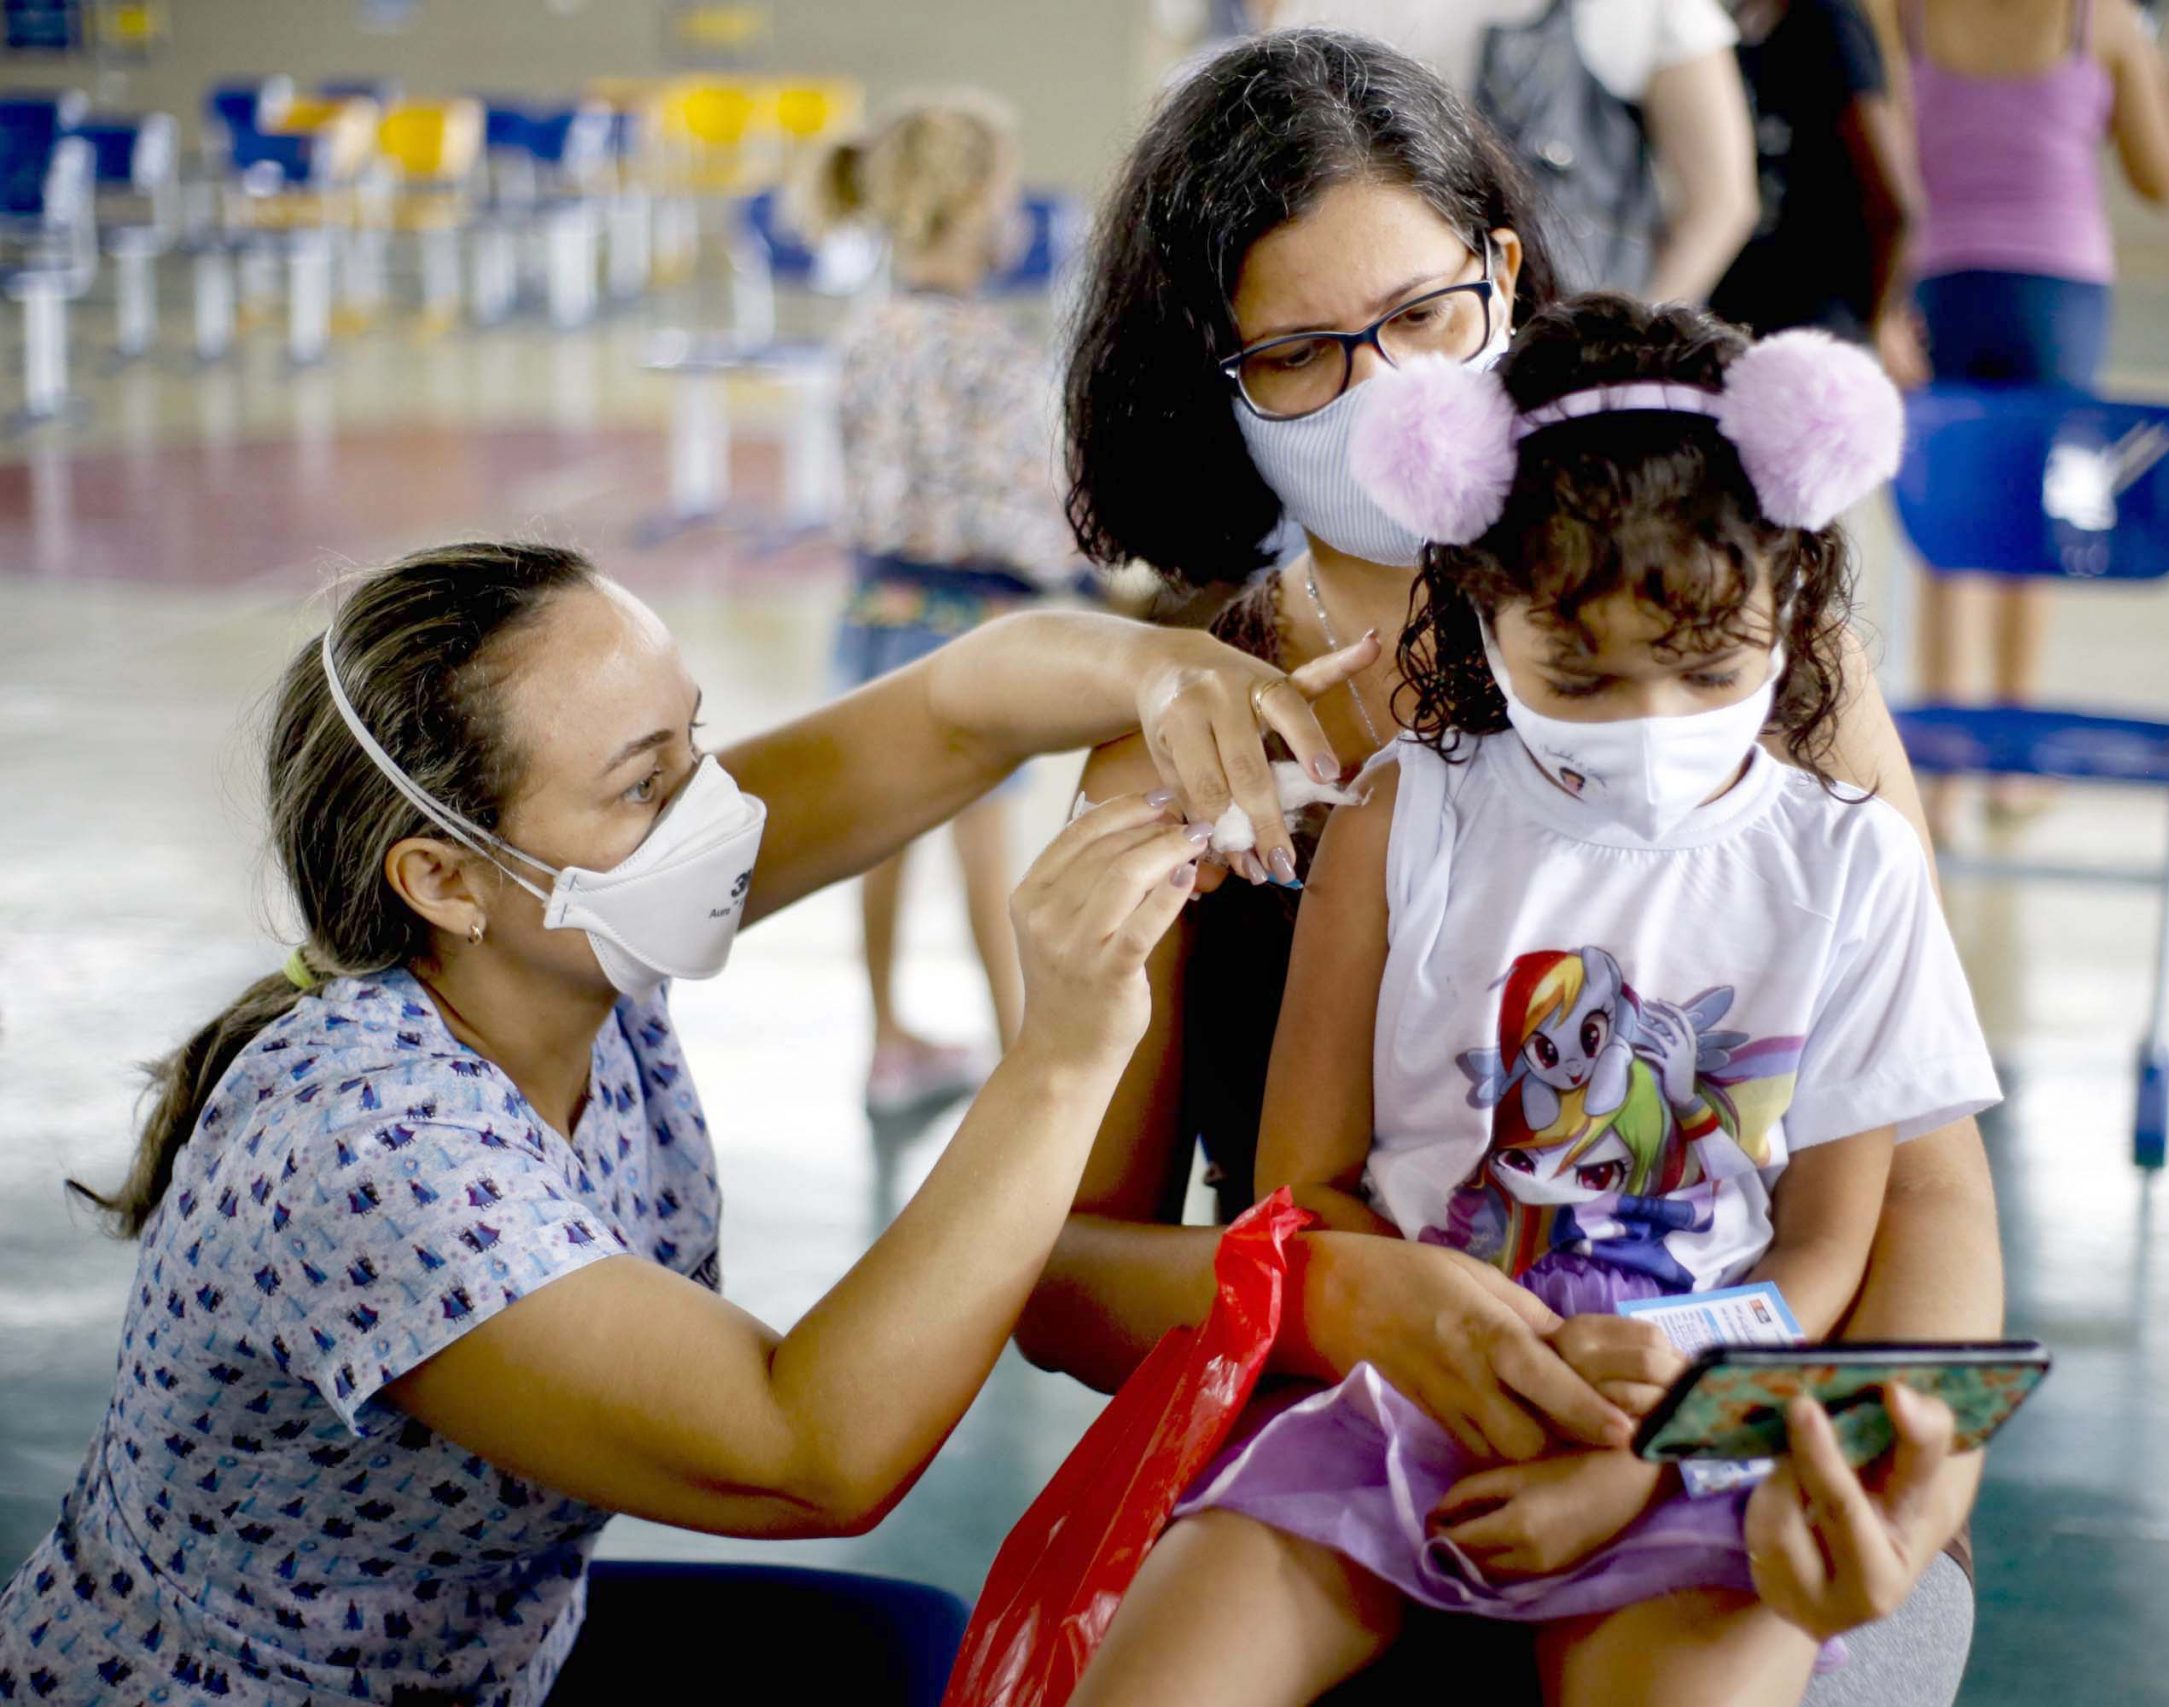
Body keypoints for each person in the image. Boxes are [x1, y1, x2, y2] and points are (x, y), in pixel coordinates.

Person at [1028, 31, 2005, 1702]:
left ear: (1503, 277)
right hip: (1366, 1442)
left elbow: (1918, 1220)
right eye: (1298, 353)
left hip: (1745, 1440)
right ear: (1207, 369)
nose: (1387, 386)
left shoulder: (1767, 673)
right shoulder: (1180, 740)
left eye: (1422, 316)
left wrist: (1864, 1499)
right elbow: (1063, 1274)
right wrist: (1352, 1301)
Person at [0, 541, 1366, 1704]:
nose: (714, 806)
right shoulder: (369, 1154)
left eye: (695, 735)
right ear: (443, 875)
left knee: (900, 1650)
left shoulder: (571, 927)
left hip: (492, 1659)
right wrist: (1066, 1052)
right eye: (648, 780)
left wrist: (1162, 669)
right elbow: (809, 1455)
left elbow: (959, 708)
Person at [1875, 0, 2169, 821]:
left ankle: (1941, 775)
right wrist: (2158, 71)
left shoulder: (1898, 13)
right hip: (2060, 290)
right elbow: (2164, 179)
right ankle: (2014, 768)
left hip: (1940, 282)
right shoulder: (2106, 21)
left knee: (1949, 526)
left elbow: (1884, 156)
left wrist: (1885, 298)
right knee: (2035, 524)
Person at [826, 94, 1080, 1109]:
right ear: (977, 199)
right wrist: (1086, 573)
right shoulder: (992, 353)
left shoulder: (865, 331)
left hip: (872, 609)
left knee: (877, 836)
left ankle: (886, 1038)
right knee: (986, 852)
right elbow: (1023, 509)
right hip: (972, 623)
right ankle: (1019, 1050)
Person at [1265, 0, 1760, 301]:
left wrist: (1630, 344)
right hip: (1407, 352)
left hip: (1577, 342)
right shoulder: (1319, 14)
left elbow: (1721, 203)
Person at [1709, 0, 1925, 383]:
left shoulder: (1828, 19)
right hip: (1735, 327)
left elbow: (1895, 206)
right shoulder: (1724, 22)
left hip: (1818, 334)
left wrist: (1878, 324)